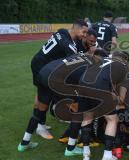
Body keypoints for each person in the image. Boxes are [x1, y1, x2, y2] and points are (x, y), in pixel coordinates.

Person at [17, 20, 88, 151]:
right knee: (73, 106)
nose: (85, 35)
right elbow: (75, 60)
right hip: (44, 68)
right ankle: (68, 145)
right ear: (76, 28)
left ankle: (25, 141)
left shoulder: (62, 32)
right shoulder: (68, 44)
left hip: (45, 68)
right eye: (83, 32)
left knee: (43, 100)